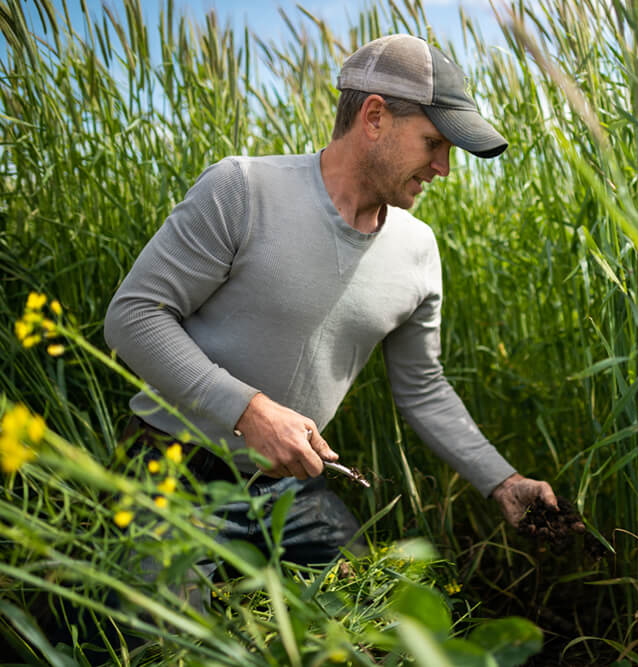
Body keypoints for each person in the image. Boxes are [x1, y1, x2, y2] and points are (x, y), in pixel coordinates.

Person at [104, 34, 560, 568]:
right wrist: (247, 410)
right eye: (434, 143)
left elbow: (423, 388)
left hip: (288, 490)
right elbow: (134, 315)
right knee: (170, 648)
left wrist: (501, 480)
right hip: (170, 467)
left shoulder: (418, 251)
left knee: (381, 637)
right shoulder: (244, 189)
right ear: (374, 117)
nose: (445, 169)